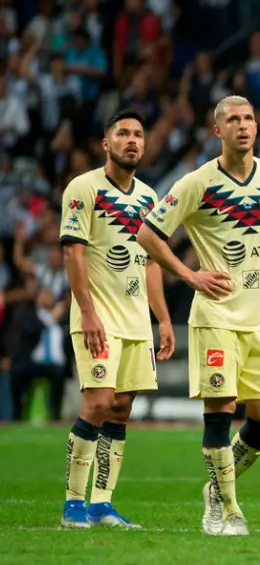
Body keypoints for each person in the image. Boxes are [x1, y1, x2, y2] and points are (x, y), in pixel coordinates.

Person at [137, 95, 260, 536]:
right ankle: (229, 510)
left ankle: (215, 487)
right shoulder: (197, 182)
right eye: (233, 119)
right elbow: (147, 233)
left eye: (248, 118)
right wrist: (188, 275)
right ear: (217, 131)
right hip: (216, 315)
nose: (243, 125)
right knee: (221, 410)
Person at [60, 109, 175, 528]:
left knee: (122, 408)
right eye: (123, 133)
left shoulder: (148, 198)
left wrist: (162, 318)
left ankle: (101, 505)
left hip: (136, 321)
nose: (132, 140)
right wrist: (88, 312)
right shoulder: (84, 188)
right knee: (98, 403)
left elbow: (151, 262)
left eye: (138, 135)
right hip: (99, 316)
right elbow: (72, 252)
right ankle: (73, 504)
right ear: (106, 144)